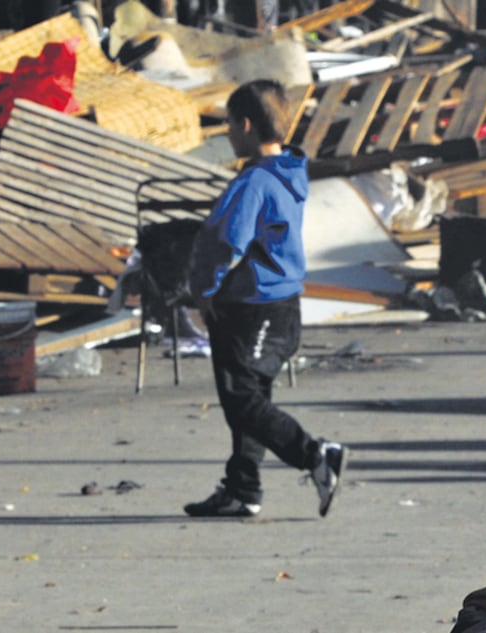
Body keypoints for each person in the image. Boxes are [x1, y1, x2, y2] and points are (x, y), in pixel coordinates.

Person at [184, 79, 347, 518]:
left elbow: (225, 239)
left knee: (242, 398)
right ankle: (243, 488)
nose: (228, 134)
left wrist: (204, 289)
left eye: (230, 125)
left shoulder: (255, 180)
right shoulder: (290, 173)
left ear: (247, 124)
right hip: (282, 303)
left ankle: (315, 455)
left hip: (250, 304)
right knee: (253, 399)